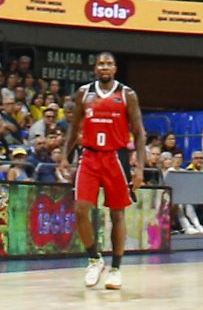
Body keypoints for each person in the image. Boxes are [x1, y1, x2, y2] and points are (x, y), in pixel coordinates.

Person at [58, 52, 145, 291]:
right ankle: (94, 259)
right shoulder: (84, 93)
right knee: (80, 209)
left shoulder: (127, 94)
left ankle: (116, 268)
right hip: (89, 155)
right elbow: (74, 127)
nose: (104, 67)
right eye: (100, 64)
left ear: (115, 68)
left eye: (109, 63)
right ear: (95, 68)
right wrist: (65, 156)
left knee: (117, 214)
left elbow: (139, 132)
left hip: (116, 157)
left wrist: (139, 168)